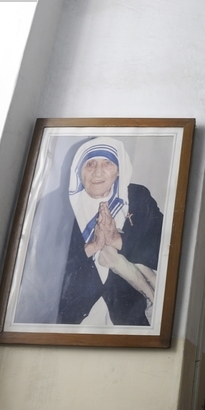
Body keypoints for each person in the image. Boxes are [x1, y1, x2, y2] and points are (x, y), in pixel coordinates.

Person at [56, 137, 163, 326]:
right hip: (76, 317)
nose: (98, 172)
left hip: (131, 317)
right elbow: (48, 270)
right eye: (90, 164)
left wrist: (117, 240)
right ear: (79, 169)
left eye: (108, 163)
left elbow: (164, 249)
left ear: (120, 169)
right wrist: (92, 246)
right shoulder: (59, 207)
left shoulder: (138, 197)